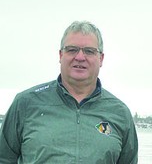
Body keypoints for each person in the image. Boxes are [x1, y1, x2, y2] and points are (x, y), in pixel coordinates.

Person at [0, 21, 138, 164]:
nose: (79, 57)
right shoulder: (25, 104)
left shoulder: (120, 113)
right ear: (60, 55)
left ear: (101, 59)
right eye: (72, 50)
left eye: (89, 51)